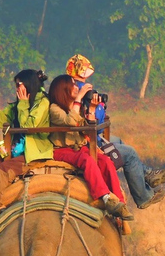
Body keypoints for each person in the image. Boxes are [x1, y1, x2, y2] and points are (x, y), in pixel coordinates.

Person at [65, 54, 165, 209]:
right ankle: (143, 197)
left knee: (118, 141)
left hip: (88, 136)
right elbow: (94, 124)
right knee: (129, 153)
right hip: (85, 140)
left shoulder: (68, 88)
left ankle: (148, 174)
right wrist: (96, 108)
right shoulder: (77, 93)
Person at [0, 69, 52, 220]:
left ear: (28, 85)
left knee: (4, 169)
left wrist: (24, 104)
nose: (17, 88)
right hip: (16, 151)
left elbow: (29, 126)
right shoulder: (16, 106)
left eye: (19, 85)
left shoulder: (43, 103)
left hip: (34, 153)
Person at [48, 74, 133, 221]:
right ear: (63, 89)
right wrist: (79, 99)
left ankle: (120, 203)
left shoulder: (75, 107)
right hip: (62, 150)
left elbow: (87, 130)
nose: (77, 88)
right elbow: (70, 122)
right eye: (73, 85)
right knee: (87, 160)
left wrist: (92, 109)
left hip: (79, 148)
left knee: (105, 161)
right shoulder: (54, 109)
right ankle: (105, 197)